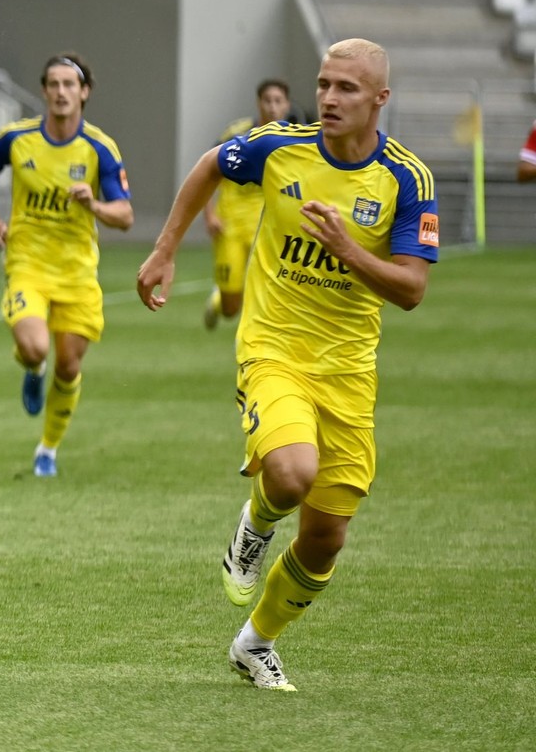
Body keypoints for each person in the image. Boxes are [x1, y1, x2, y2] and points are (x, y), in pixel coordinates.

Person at [136, 39, 438, 691]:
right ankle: (255, 523)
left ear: (380, 100)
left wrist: (347, 248)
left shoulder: (406, 179)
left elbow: (411, 288)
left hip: (349, 373)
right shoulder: (279, 147)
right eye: (325, 84)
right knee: (293, 471)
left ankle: (255, 642)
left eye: (347, 88)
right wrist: (165, 249)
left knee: (327, 536)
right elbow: (213, 164)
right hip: (272, 347)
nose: (329, 97)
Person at [0, 53, 133, 477]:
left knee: (69, 365)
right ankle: (32, 366)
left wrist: (93, 204)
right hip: (28, 264)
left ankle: (48, 448)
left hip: (77, 272)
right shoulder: (17, 138)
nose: (61, 92)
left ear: (84, 93)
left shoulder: (99, 148)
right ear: (44, 91)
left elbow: (124, 215)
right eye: (53, 85)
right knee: (36, 346)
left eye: (69, 85)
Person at [201, 80, 293, 330]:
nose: (272, 107)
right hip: (229, 224)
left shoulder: (295, 141)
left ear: (287, 105)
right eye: (267, 101)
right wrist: (209, 215)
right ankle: (219, 301)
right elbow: (208, 172)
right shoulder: (238, 133)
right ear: (258, 103)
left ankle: (254, 345)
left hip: (265, 227)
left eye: (278, 101)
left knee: (264, 293)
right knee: (232, 307)